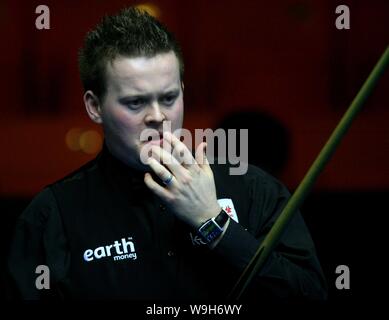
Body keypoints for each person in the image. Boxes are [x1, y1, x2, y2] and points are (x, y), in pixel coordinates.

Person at [6, 7, 327, 300]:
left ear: (183, 92)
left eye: (169, 97)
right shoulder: (53, 215)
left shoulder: (255, 189)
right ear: (94, 106)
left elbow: (310, 297)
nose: (158, 116)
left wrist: (213, 223)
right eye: (136, 102)